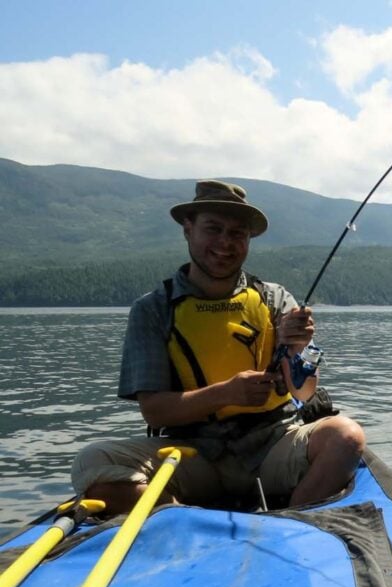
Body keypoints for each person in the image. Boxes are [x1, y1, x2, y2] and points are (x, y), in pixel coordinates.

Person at [71, 180, 366, 515]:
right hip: (191, 452)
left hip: (273, 444)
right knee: (90, 462)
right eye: (214, 229)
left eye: (238, 233)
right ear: (188, 230)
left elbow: (304, 392)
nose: (225, 243)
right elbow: (154, 411)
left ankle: (292, 522)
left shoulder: (275, 299)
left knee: (346, 437)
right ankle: (185, 518)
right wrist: (226, 393)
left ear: (248, 240)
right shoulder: (153, 309)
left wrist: (300, 346)